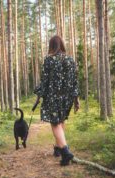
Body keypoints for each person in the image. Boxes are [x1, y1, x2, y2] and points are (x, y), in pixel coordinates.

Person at [34, 35, 80, 166]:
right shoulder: (70, 60)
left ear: (51, 46)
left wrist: (38, 96)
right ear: (62, 45)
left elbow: (44, 81)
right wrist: (76, 100)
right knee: (61, 121)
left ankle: (66, 153)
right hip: (68, 97)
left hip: (53, 97)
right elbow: (75, 82)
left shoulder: (49, 60)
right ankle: (58, 148)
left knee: (55, 124)